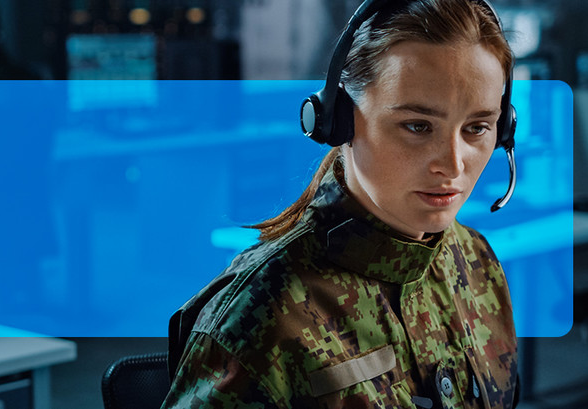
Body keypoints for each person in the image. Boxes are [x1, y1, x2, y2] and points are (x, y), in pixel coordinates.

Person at [162, 0, 519, 408]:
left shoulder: (476, 261)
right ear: (339, 121)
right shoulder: (262, 313)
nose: (454, 164)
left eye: (477, 128)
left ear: (503, 129)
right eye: (418, 126)